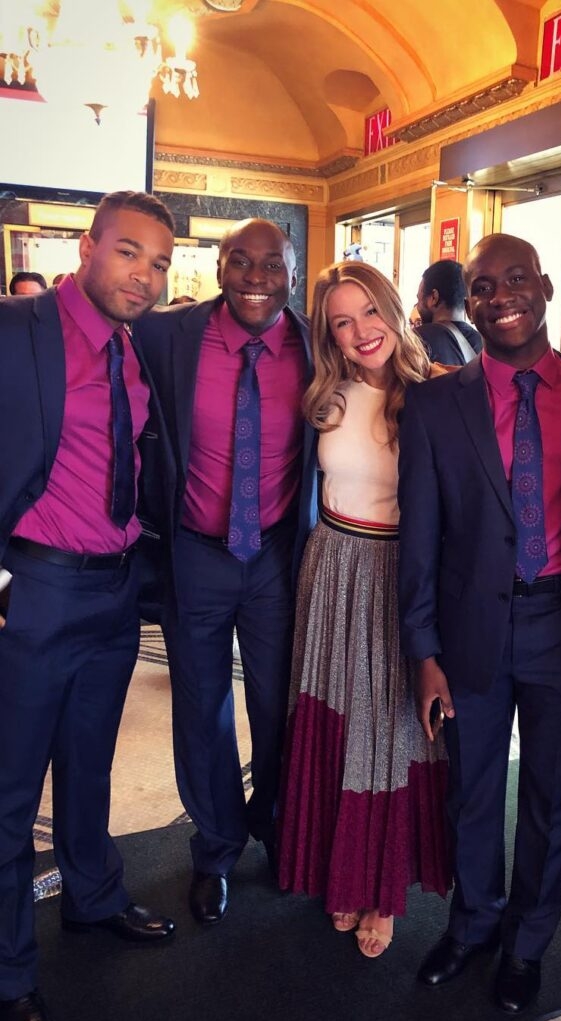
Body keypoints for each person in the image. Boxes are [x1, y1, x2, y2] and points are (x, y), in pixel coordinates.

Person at [398, 234, 561, 1014]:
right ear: (469, 301)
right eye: (482, 286)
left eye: (516, 280)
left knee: (553, 796)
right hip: (467, 633)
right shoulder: (434, 402)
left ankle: (527, 941)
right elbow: (418, 537)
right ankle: (473, 922)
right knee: (472, 792)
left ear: (545, 288)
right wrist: (422, 650)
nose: (500, 296)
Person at [0, 191, 178, 1021]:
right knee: (9, 790)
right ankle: (8, 971)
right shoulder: (18, 329)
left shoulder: (134, 350)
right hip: (35, 590)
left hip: (113, 592)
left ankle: (93, 896)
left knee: (88, 765)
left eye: (158, 262)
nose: (143, 275)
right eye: (129, 253)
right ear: (88, 246)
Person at [133, 219, 315, 928]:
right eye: (240, 261)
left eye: (271, 264)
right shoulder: (165, 338)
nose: (255, 276)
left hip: (275, 556)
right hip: (194, 554)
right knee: (201, 710)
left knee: (278, 709)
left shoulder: (313, 344)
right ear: (217, 267)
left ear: (291, 275)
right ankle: (214, 847)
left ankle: (273, 827)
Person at [277, 261, 451, 959]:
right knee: (335, 723)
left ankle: (380, 890)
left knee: (389, 732)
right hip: (331, 567)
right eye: (341, 322)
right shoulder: (326, 396)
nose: (359, 331)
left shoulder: (438, 394)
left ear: (393, 308)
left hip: (399, 574)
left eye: (368, 312)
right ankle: (342, 873)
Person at [414, 259, 482, 365]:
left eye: (419, 300)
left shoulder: (418, 339)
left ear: (434, 297)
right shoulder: (482, 342)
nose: (417, 307)